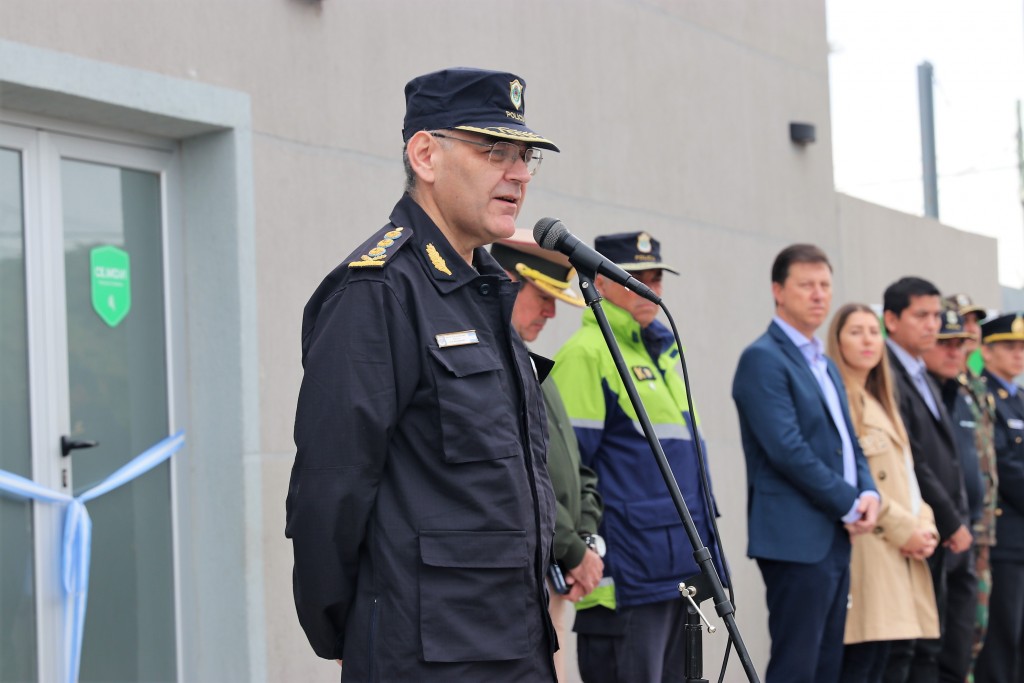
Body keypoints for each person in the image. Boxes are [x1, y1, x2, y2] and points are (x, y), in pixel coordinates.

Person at [285, 67, 561, 681]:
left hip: (513, 644)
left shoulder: (483, 293)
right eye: (494, 151)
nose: (518, 173)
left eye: (525, 157)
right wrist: (346, 627)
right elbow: (331, 488)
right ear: (426, 155)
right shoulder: (378, 291)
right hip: (427, 656)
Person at [549, 231, 725, 683]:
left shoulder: (663, 355)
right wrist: (578, 552)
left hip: (677, 573)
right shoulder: (587, 354)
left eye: (657, 277)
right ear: (601, 282)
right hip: (625, 583)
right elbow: (567, 473)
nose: (651, 287)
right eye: (636, 277)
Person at [732, 244, 878, 683]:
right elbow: (787, 449)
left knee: (826, 666)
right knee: (796, 666)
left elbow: (847, 441)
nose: (819, 295)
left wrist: (868, 491)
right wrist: (849, 502)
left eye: (825, 286)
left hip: (833, 535)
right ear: (778, 291)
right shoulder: (763, 358)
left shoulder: (824, 363)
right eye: (806, 285)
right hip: (795, 538)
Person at [490, 231, 605, 683]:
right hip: (524, 577)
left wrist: (587, 540)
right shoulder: (491, 367)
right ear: (506, 281)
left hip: (556, 571)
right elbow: (516, 476)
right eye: (542, 297)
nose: (551, 312)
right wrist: (574, 551)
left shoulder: (535, 365)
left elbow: (577, 469)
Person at [826, 303, 940, 682]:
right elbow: (858, 482)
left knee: (889, 663)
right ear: (837, 341)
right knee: (863, 665)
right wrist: (906, 529)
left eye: (873, 332)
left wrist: (925, 526)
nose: (867, 341)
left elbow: (907, 479)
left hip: (900, 548)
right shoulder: (841, 399)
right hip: (871, 547)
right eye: (855, 332)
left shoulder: (882, 400)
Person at [882, 277, 973, 682]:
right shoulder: (888, 373)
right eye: (921, 315)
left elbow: (948, 459)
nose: (932, 325)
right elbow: (914, 459)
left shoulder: (922, 373)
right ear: (892, 319)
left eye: (935, 315)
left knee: (943, 648)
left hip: (941, 531)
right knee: (913, 652)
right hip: (916, 528)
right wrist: (951, 521)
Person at [945, 294, 999, 671]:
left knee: (975, 630)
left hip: (984, 528)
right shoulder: (943, 385)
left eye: (974, 323)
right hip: (955, 526)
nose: (971, 330)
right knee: (952, 631)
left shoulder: (976, 386)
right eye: (962, 322)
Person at [974, 312, 1024, 683]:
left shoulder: (1019, 398)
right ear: (986, 352)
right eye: (1008, 346)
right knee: (1002, 637)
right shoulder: (983, 396)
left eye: (1021, 347)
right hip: (1004, 539)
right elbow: (1002, 465)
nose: (1018, 354)